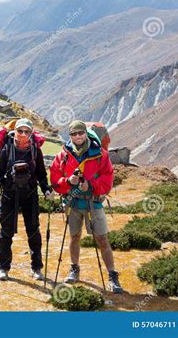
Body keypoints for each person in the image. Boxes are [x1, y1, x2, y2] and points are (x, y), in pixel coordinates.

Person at [49, 120, 123, 293]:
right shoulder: (64, 154)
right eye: (73, 134)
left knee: (102, 239)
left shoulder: (100, 154)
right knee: (74, 237)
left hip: (93, 203)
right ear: (70, 136)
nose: (77, 136)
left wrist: (90, 185)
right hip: (73, 203)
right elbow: (55, 179)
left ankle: (112, 275)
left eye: (80, 133)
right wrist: (68, 182)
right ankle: (74, 268)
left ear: (86, 133)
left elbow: (107, 179)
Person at [0, 118, 54, 281]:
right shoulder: (7, 148)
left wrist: (46, 189)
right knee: (6, 232)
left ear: (31, 133)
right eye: (20, 131)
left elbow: (41, 173)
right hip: (9, 195)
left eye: (27, 131)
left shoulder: (35, 150)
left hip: (30, 195)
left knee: (33, 232)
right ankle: (3, 268)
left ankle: (37, 268)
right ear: (15, 132)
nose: (23, 134)